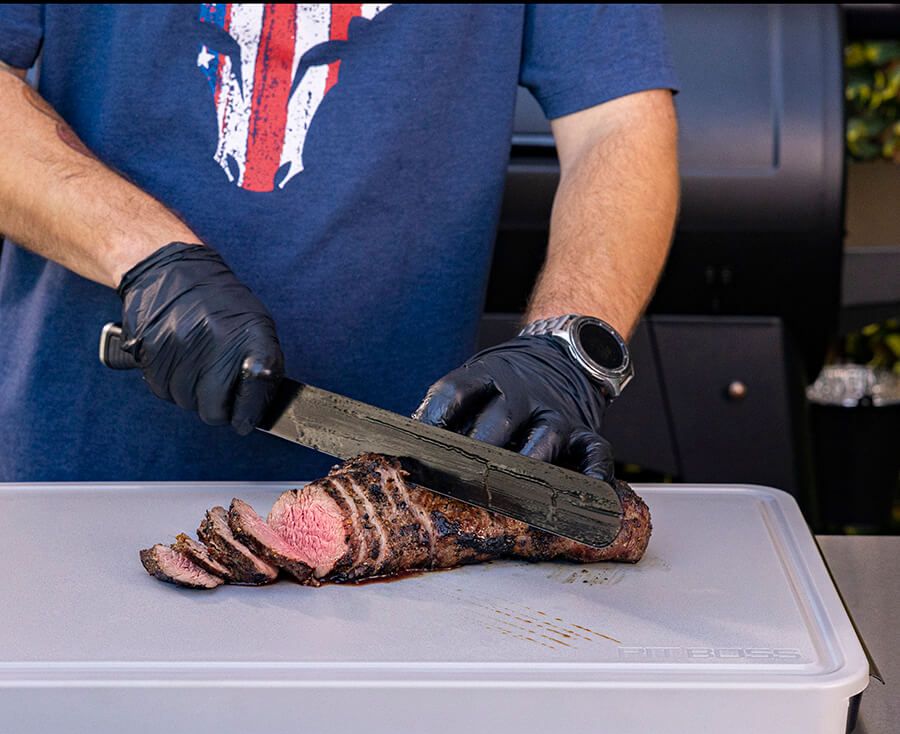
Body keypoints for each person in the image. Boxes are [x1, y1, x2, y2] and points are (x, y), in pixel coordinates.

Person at [0, 4, 678, 483]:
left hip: (397, 501)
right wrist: (147, 255)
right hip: (75, 479)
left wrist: (569, 350)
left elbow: (618, 124)